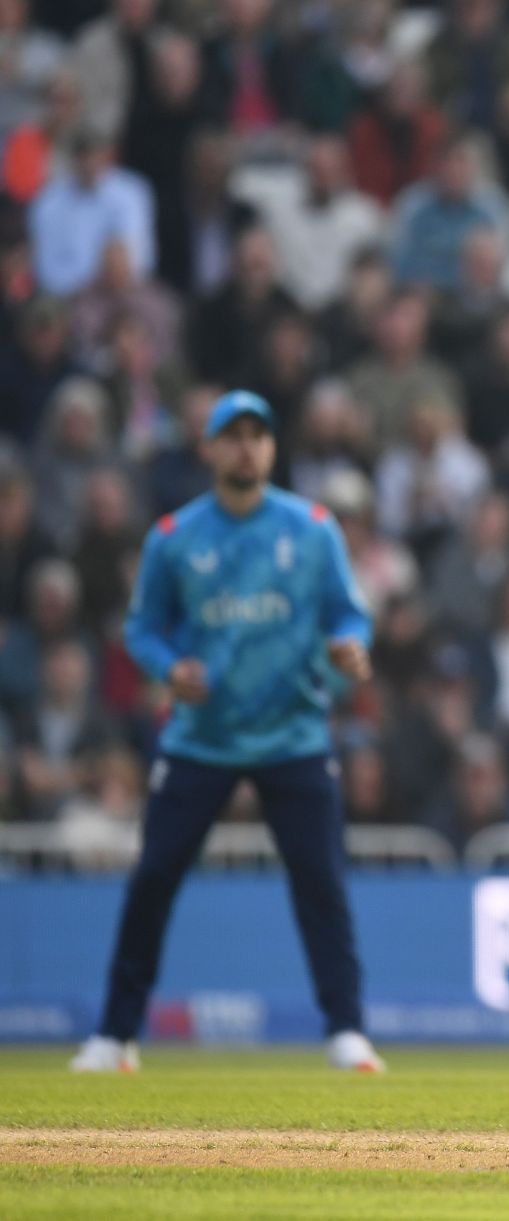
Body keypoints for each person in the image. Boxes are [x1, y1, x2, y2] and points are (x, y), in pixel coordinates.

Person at [70, 391, 383, 1075]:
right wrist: (165, 668)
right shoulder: (174, 537)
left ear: (272, 448)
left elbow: (350, 615)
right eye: (233, 435)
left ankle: (347, 1029)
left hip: (293, 733)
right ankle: (115, 1034)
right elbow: (142, 629)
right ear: (210, 448)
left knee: (321, 884)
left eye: (258, 435)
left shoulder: (313, 528)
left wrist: (349, 648)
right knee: (152, 879)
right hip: (201, 737)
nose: (247, 447)